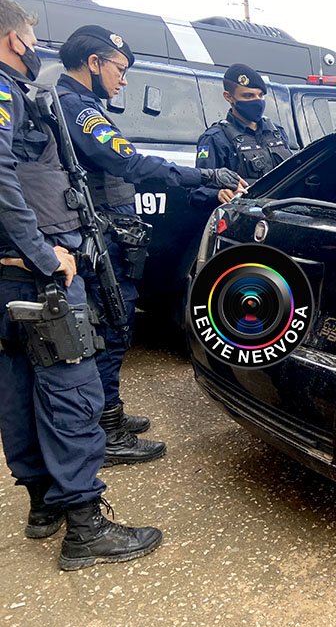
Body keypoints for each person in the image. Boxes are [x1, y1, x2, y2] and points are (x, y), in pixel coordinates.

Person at [0, 0, 161, 570]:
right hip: (35, 274)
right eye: (29, 34)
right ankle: (86, 530)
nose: (33, 44)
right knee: (71, 389)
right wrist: (44, 255)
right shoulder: (6, 92)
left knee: (18, 386)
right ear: (15, 38)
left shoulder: (27, 98)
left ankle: (44, 505)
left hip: (8, 276)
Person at [55, 25, 247, 465]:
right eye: (119, 69)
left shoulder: (77, 104)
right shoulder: (78, 108)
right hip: (98, 241)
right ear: (94, 63)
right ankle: (107, 432)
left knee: (114, 327)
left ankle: (110, 415)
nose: (123, 80)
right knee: (111, 330)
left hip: (102, 237)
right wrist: (204, 176)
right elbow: (129, 161)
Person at [190, 63, 291, 207]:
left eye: (260, 95)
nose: (257, 101)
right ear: (228, 97)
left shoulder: (276, 132)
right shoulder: (215, 138)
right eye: (248, 96)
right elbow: (196, 192)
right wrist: (217, 194)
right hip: (242, 218)